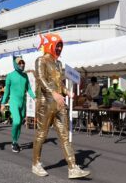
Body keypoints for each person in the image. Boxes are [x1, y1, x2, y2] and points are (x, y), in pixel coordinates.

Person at [32, 33, 90, 179]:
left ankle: (72, 167)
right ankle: (36, 164)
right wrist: (54, 93)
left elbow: (60, 82)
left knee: (64, 135)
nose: (59, 48)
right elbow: (40, 79)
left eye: (60, 46)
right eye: (57, 45)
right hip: (45, 102)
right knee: (41, 134)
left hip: (59, 103)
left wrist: (66, 92)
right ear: (50, 45)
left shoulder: (58, 63)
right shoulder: (41, 60)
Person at [1, 56, 36, 153]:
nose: (22, 64)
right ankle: (14, 142)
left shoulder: (25, 76)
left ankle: (15, 141)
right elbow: (6, 91)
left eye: (23, 63)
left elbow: (28, 88)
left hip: (22, 103)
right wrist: (3, 103)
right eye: (19, 63)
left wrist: (34, 97)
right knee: (16, 121)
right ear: (15, 64)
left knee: (20, 123)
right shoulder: (10, 76)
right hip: (14, 102)